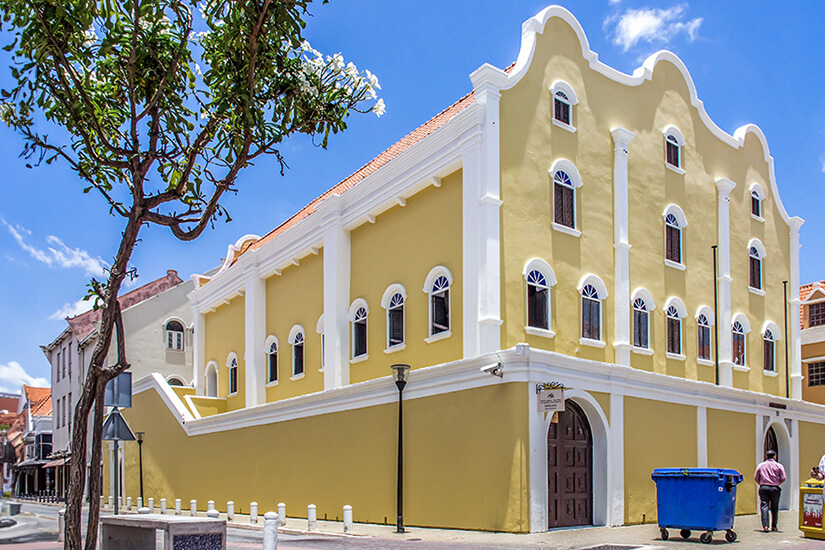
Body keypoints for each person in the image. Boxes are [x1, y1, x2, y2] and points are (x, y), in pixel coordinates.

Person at [754, 450, 786, 532]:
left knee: (764, 506)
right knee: (775, 507)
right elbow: (783, 477)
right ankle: (774, 526)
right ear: (775, 456)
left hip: (764, 487)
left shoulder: (761, 465)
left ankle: (765, 526)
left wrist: (760, 483)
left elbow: (756, 477)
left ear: (766, 456)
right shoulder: (779, 466)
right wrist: (778, 482)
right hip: (775, 488)